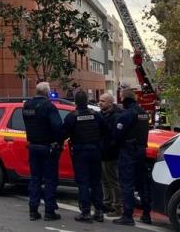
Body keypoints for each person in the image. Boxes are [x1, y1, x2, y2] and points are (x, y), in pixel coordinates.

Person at [63, 91, 106, 223]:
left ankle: (85, 212)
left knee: (83, 183)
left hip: (80, 152)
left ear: (75, 102)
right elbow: (105, 131)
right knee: (96, 182)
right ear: (87, 100)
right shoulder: (96, 115)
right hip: (95, 151)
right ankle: (99, 211)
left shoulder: (71, 117)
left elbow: (63, 133)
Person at [22, 81, 63, 221]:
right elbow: (58, 127)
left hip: (33, 146)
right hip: (47, 147)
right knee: (50, 180)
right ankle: (49, 212)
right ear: (46, 92)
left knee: (35, 179)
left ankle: (33, 211)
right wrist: (59, 142)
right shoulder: (48, 106)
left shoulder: (27, 105)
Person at [113, 88, 152, 226]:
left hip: (129, 152)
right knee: (141, 184)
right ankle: (146, 214)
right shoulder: (143, 113)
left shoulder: (128, 114)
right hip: (141, 151)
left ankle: (127, 215)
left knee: (127, 184)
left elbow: (117, 134)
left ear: (124, 98)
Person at [99, 92, 123, 217]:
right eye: (100, 100)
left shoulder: (116, 116)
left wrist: (110, 147)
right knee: (104, 180)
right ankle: (107, 203)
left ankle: (117, 207)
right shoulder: (101, 114)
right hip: (102, 152)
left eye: (103, 101)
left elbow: (115, 136)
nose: (100, 103)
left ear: (109, 103)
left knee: (113, 180)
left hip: (111, 153)